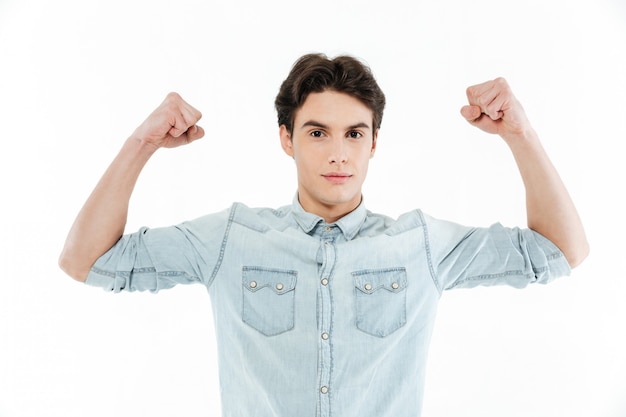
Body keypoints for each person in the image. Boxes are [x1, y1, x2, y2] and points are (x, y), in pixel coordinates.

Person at [59, 53, 589, 417]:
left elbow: (562, 250)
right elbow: (86, 260)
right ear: (286, 139)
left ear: (374, 143)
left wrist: (520, 133)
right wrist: (141, 142)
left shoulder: (421, 244)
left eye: (354, 133)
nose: (338, 152)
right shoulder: (231, 238)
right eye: (317, 132)